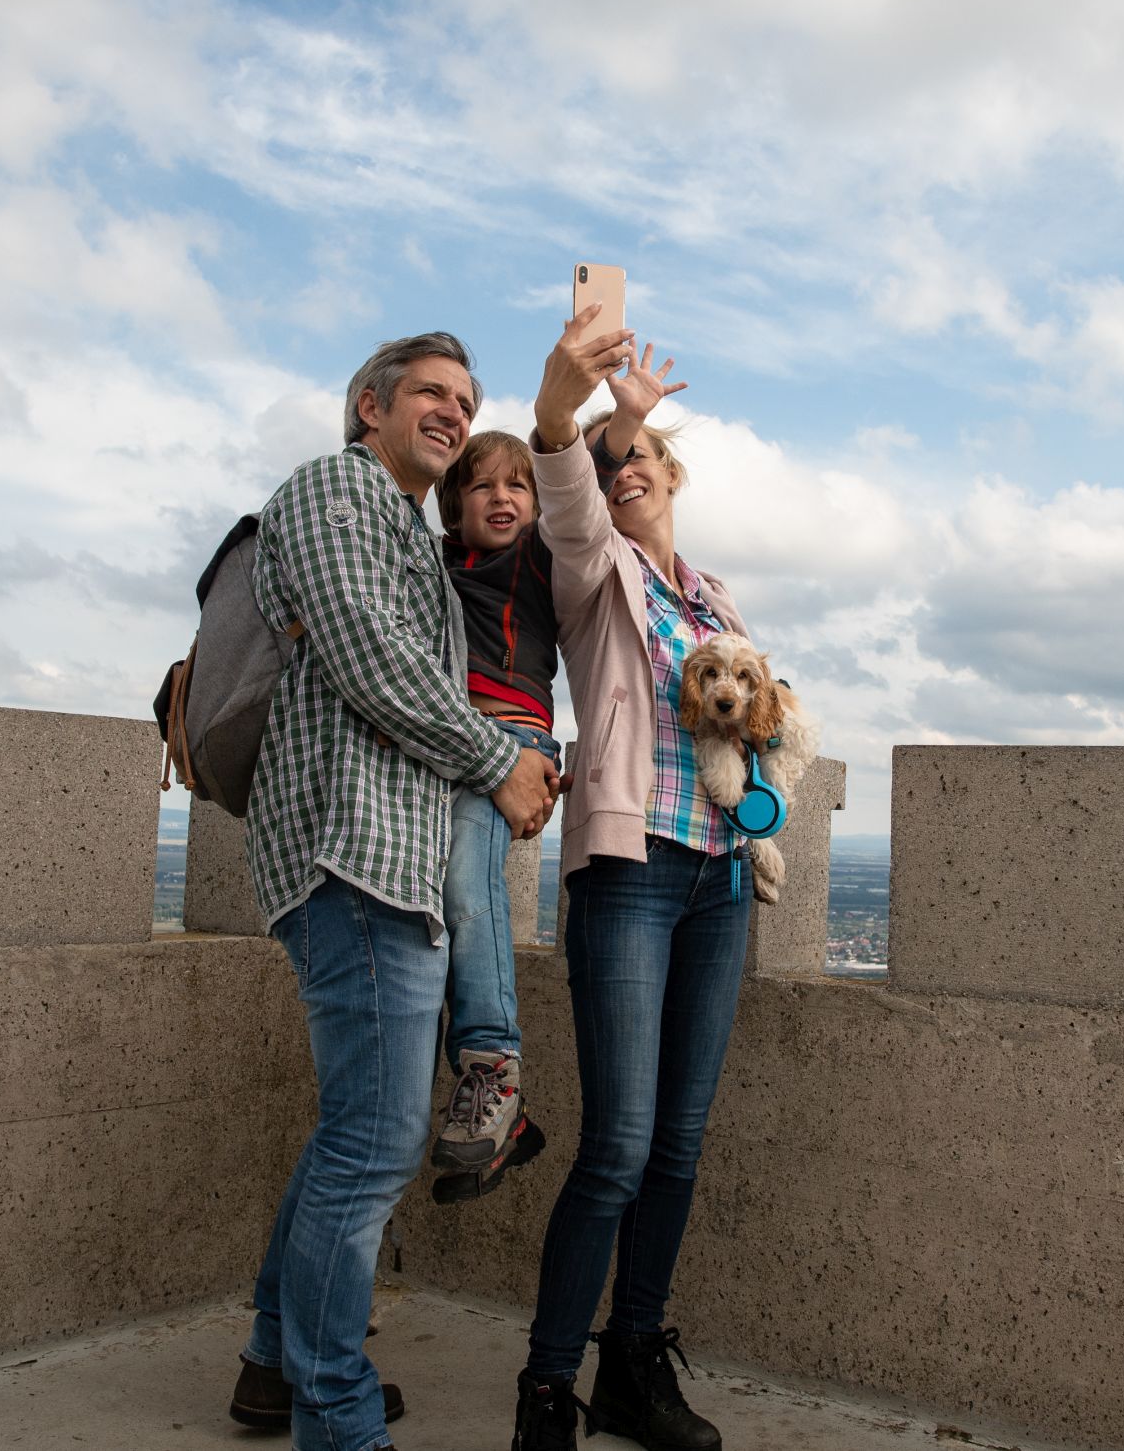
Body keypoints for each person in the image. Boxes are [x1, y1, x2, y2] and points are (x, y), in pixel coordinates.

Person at [231, 331, 560, 1451]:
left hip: (389, 866)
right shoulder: (336, 489)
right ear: (369, 406)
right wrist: (500, 759)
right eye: (432, 392)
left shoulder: (410, 527)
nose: (454, 412)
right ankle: (338, 1417)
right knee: (373, 1149)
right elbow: (371, 654)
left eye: (466, 399)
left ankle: (275, 1362)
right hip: (354, 859)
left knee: (352, 1135)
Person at [512, 310, 747, 1451]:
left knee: (678, 1145)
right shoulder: (592, 567)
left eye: (644, 456)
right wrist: (582, 411)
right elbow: (564, 470)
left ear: (675, 476)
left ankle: (633, 1365)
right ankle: (546, 1389)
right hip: (632, 871)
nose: (626, 471)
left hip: (720, 878)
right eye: (613, 466)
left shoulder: (715, 597)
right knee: (617, 1145)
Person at [426, 429, 562, 1204]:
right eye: (482, 486)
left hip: (511, 742)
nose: (502, 497)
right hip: (443, 745)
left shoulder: (534, 559)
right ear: (455, 504)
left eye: (518, 485)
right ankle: (495, 1126)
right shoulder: (432, 563)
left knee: (467, 885)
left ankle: (493, 1066)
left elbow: (578, 481)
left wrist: (605, 429)